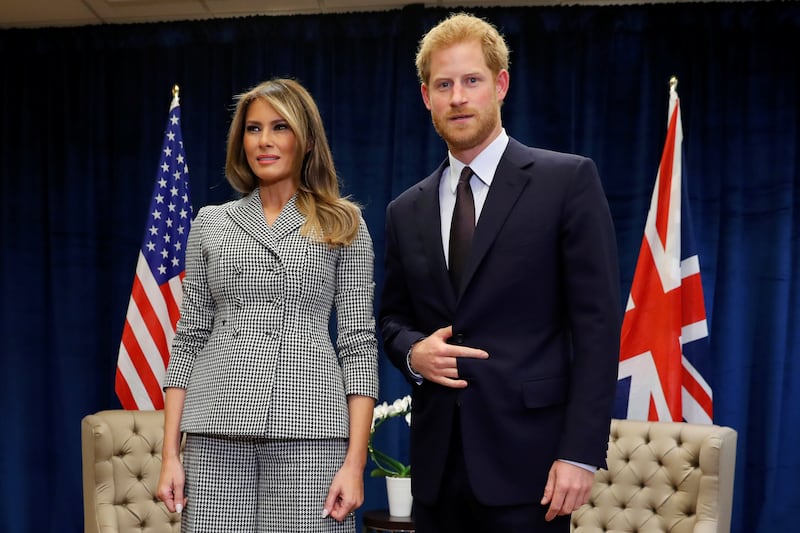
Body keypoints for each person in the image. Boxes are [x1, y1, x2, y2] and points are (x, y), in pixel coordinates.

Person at [379, 13, 621, 533]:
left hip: (532, 469)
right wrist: (413, 353)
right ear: (426, 97)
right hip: (437, 473)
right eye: (443, 85)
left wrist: (580, 452)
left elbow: (598, 329)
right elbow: (393, 318)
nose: (458, 97)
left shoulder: (567, 181)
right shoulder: (405, 209)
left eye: (472, 81)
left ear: (501, 85)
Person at [156, 78, 379, 533]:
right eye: (253, 129)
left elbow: (358, 345)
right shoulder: (212, 223)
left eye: (280, 127)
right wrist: (169, 454)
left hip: (311, 428)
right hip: (215, 427)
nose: (265, 141)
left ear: (306, 139)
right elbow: (190, 338)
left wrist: (354, 463)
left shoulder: (344, 223)